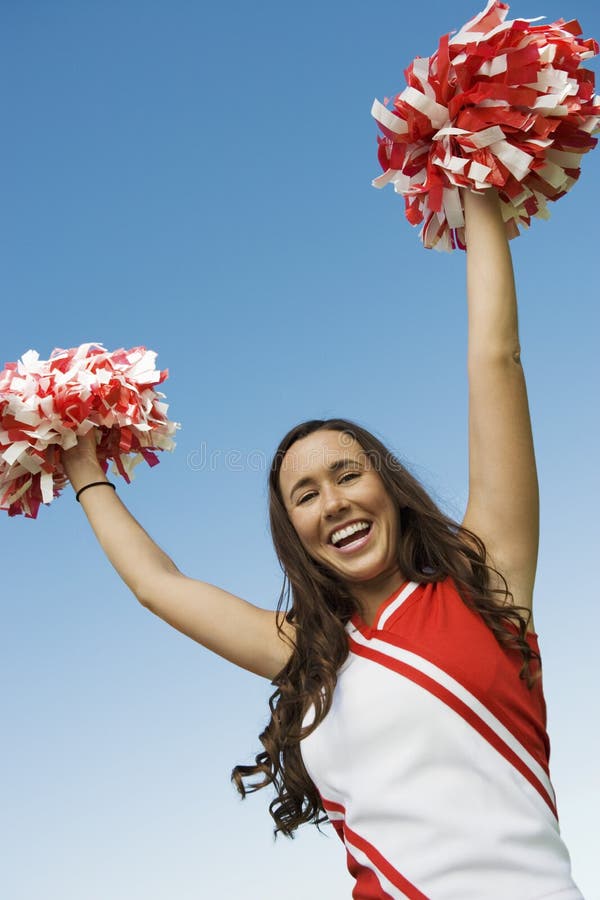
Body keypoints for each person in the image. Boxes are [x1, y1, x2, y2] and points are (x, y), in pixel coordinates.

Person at [62, 189, 582, 898]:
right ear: (295, 536)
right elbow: (160, 586)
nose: (333, 502)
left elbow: (497, 359)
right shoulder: (309, 651)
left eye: (347, 475)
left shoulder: (484, 584)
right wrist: (81, 465)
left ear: (389, 489)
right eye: (305, 495)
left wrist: (479, 184)